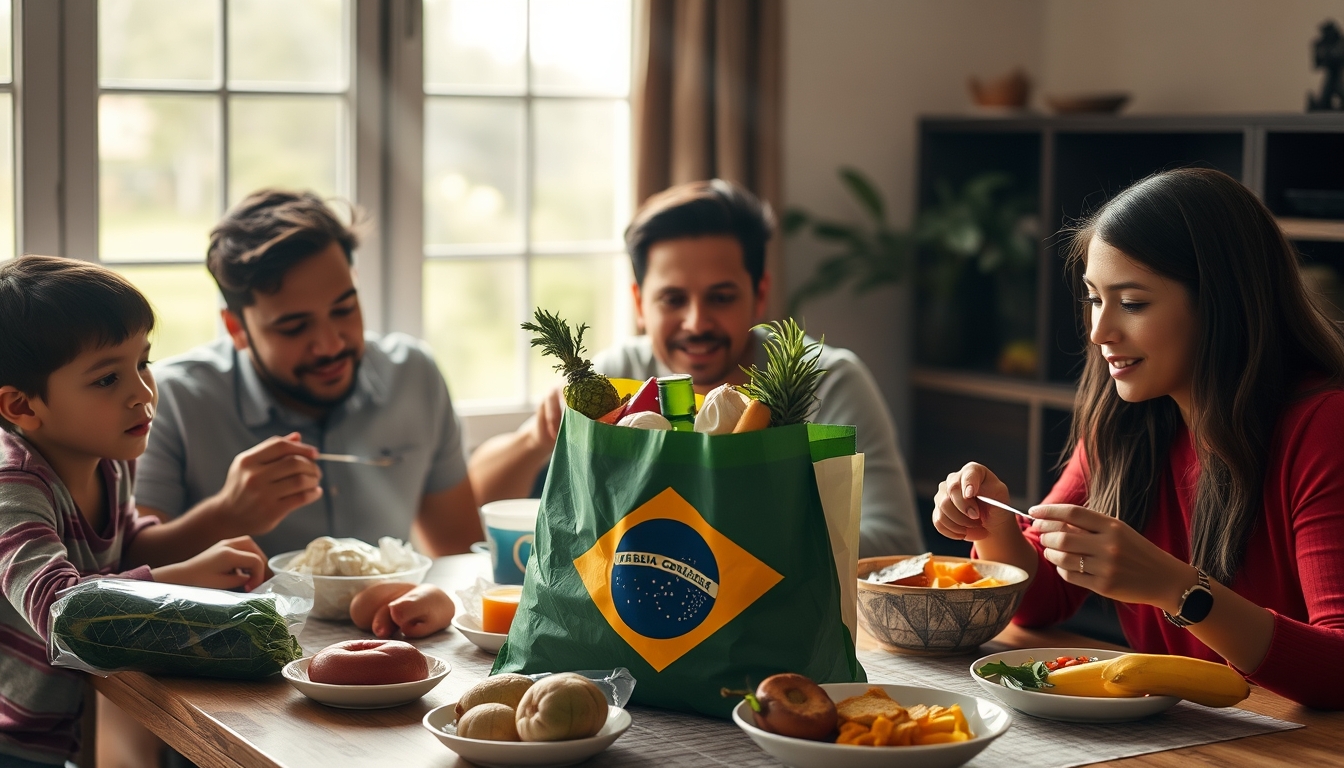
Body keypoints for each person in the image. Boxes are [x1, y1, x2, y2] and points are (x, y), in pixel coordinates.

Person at [932, 168, 1344, 710]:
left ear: (1222, 303)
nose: (1099, 332)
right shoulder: (1125, 423)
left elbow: (1338, 668)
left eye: (1132, 303)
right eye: (1093, 299)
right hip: (1180, 735)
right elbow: (1040, 600)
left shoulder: (1324, 426)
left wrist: (1180, 590)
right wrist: (996, 528)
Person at [470, 179, 924, 558]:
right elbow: (475, 507)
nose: (697, 322)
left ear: (759, 294)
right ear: (639, 304)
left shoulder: (829, 380)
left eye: (721, 297)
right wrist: (536, 438)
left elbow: (897, 545)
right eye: (672, 299)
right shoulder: (618, 377)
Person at [0, 256, 272, 767]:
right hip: (12, 740)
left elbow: (127, 549)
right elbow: (62, 612)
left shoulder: (108, 456)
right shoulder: (12, 487)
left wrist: (206, 554)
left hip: (64, 727)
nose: (143, 392)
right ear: (22, 407)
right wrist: (182, 578)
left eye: (143, 362)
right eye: (107, 379)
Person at [138, 190, 482, 558]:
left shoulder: (414, 376)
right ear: (237, 329)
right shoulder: (171, 400)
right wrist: (225, 516)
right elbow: (129, 568)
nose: (330, 345)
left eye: (344, 309)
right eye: (294, 327)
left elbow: (458, 551)